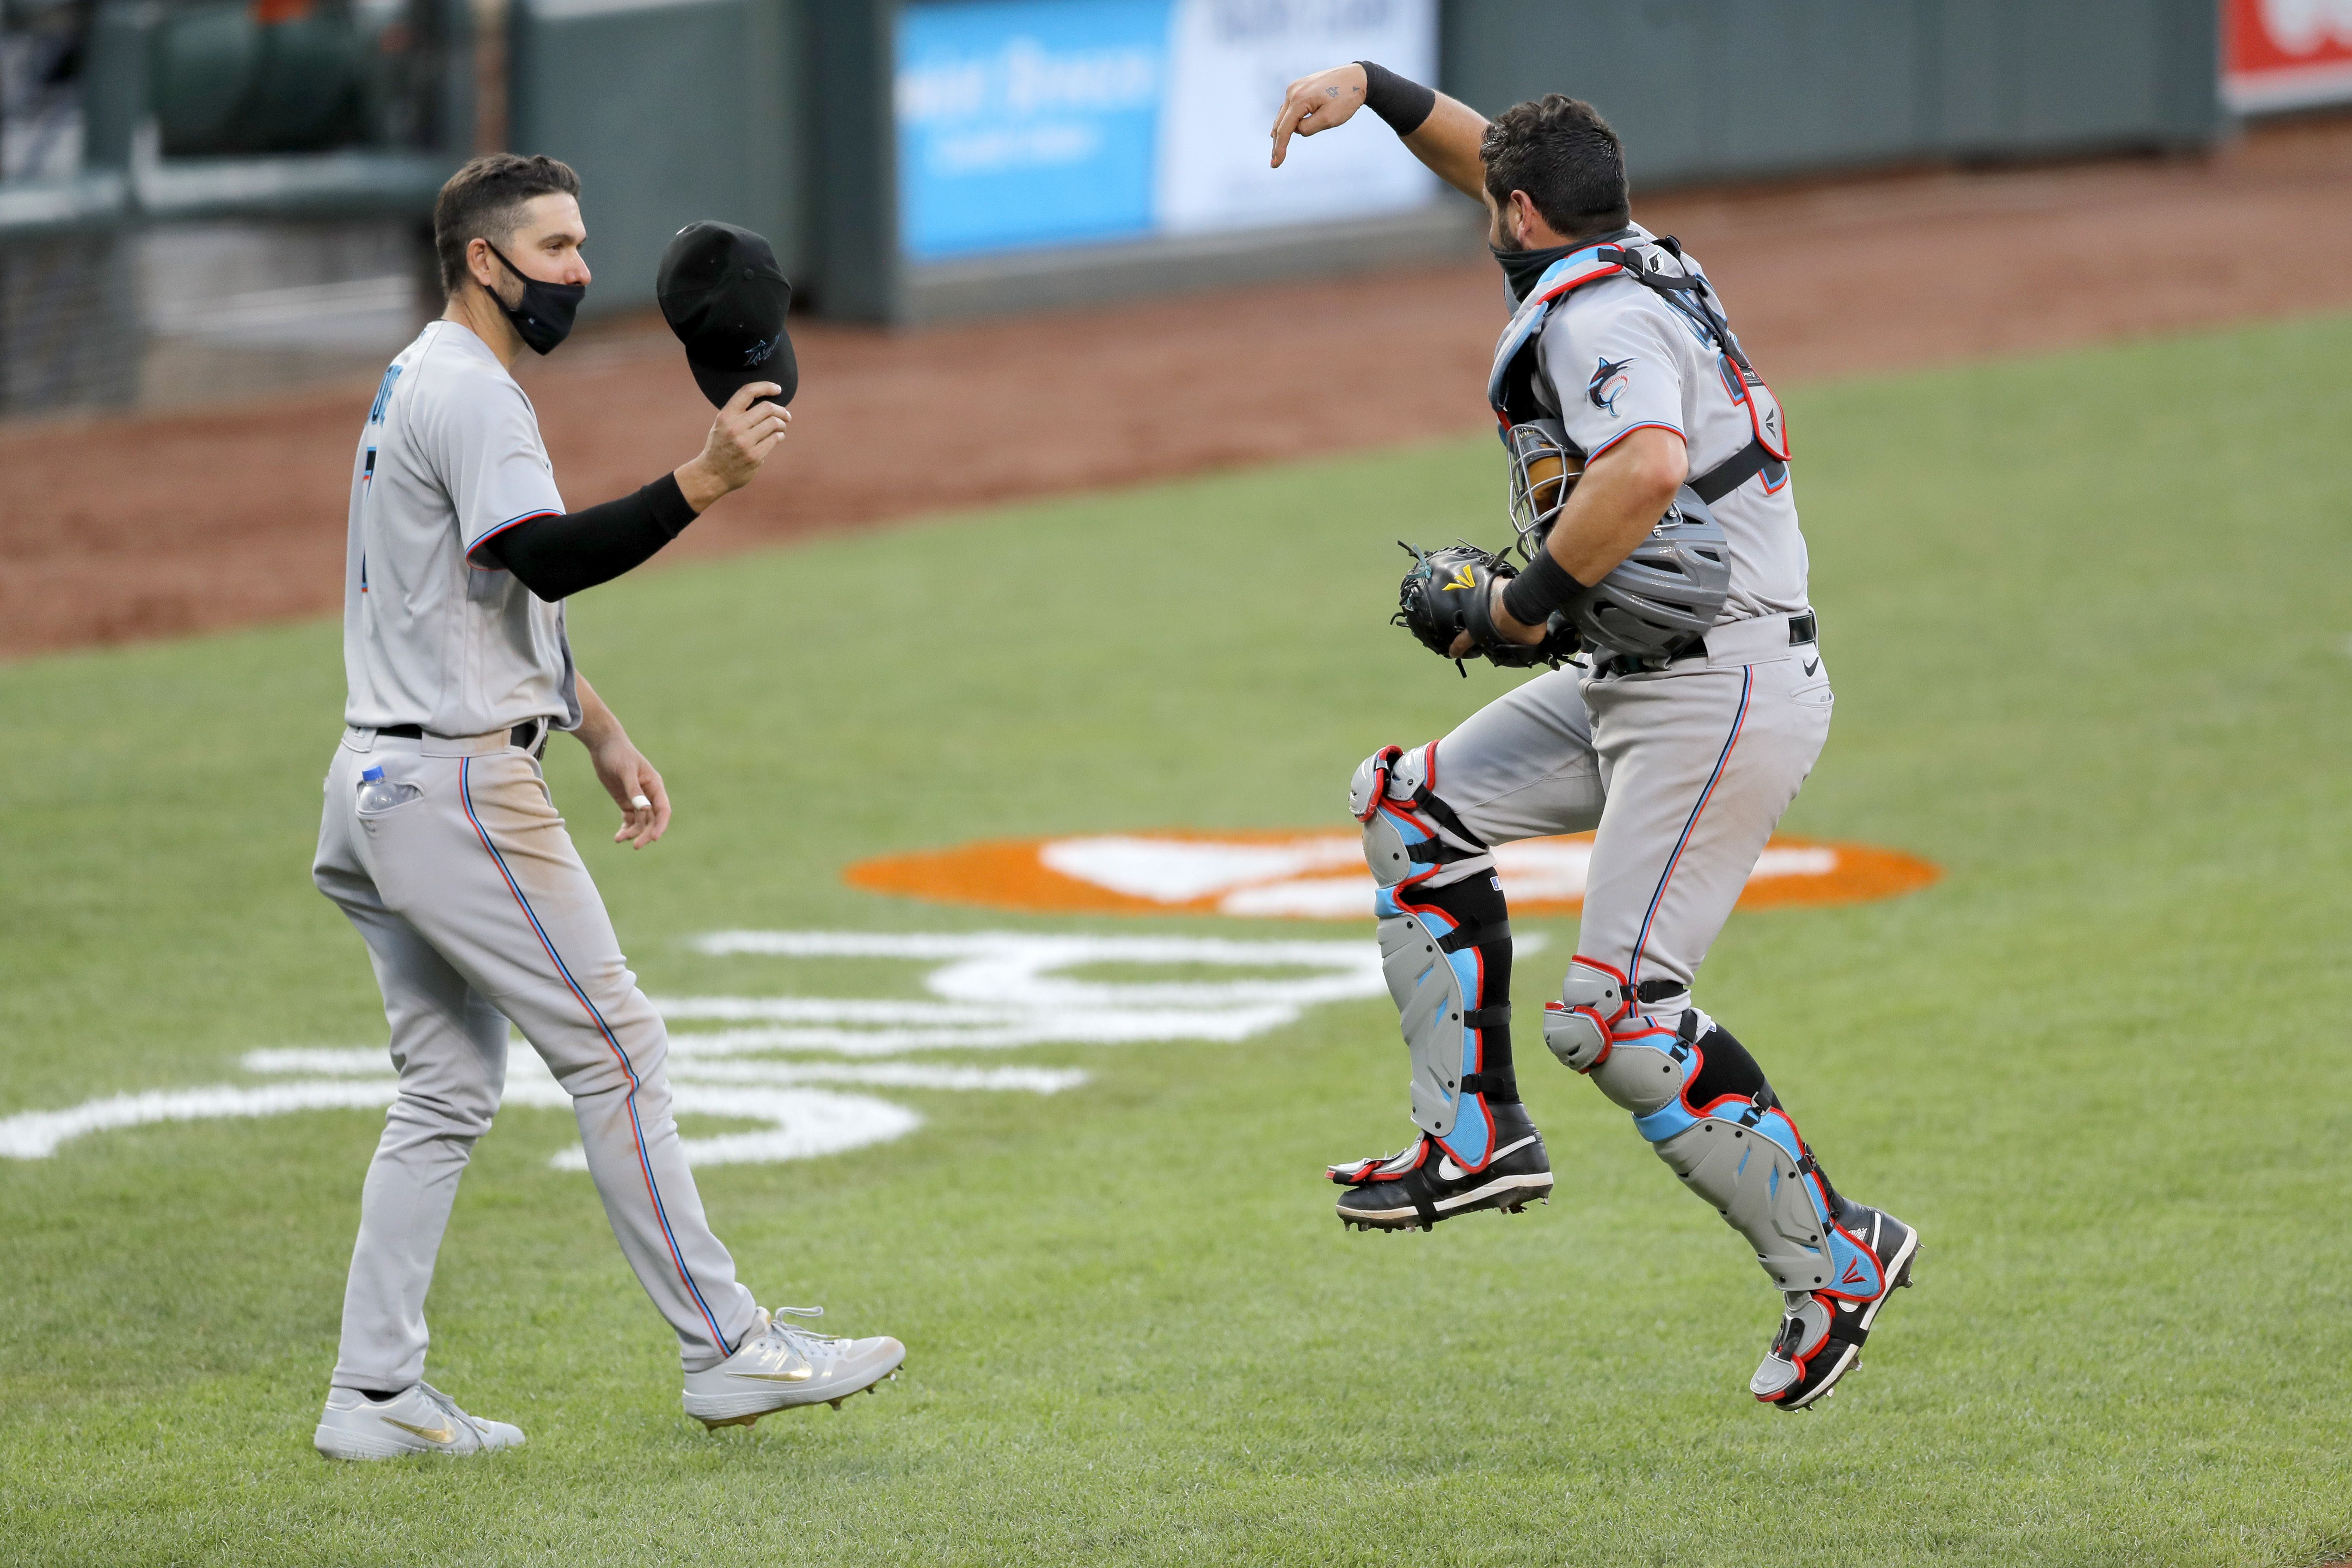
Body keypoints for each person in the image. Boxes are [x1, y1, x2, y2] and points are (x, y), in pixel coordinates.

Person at [1271, 67, 1917, 1410]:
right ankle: (1473, 1134)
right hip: (1646, 678)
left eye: (1491, 207)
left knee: (1616, 1016)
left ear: (1522, 215)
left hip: (1721, 691)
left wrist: (1521, 604)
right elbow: (1493, 164)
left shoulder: (1601, 318)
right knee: (1410, 804)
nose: (1484, 218)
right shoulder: (1629, 252)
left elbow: (1647, 469)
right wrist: (1381, 94)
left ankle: (1837, 1255)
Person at [309, 153, 902, 1459]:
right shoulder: (474, 399)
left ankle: (373, 1395)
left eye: (582, 244)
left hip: (373, 782)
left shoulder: (429, 375)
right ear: (485, 259)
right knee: (618, 1052)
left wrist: (596, 722)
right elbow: (546, 554)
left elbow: (473, 600)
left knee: (447, 1091)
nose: (583, 269)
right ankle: (730, 1348)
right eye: (559, 247)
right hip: (456, 790)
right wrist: (702, 482)